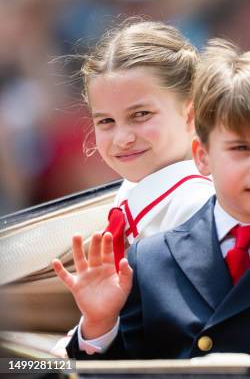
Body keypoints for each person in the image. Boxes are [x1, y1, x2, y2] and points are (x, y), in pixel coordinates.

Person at [56, 39, 250, 360]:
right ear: (203, 155)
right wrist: (99, 325)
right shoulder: (151, 259)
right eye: (240, 149)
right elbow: (126, 367)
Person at [50, 20, 214, 356]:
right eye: (106, 121)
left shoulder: (196, 207)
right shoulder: (133, 193)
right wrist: (94, 326)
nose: (122, 138)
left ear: (191, 114)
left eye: (140, 114)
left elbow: (178, 343)